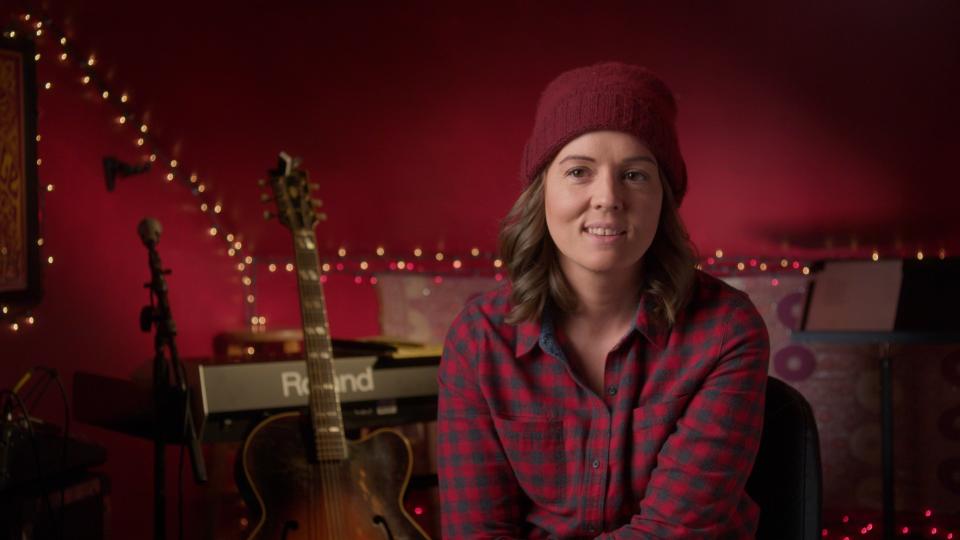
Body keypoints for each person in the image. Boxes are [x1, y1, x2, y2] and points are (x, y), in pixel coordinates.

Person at [436, 62, 770, 539]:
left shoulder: (725, 330)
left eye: (635, 175)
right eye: (578, 172)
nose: (608, 198)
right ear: (542, 192)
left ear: (664, 199)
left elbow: (673, 532)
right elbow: (477, 531)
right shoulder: (480, 339)